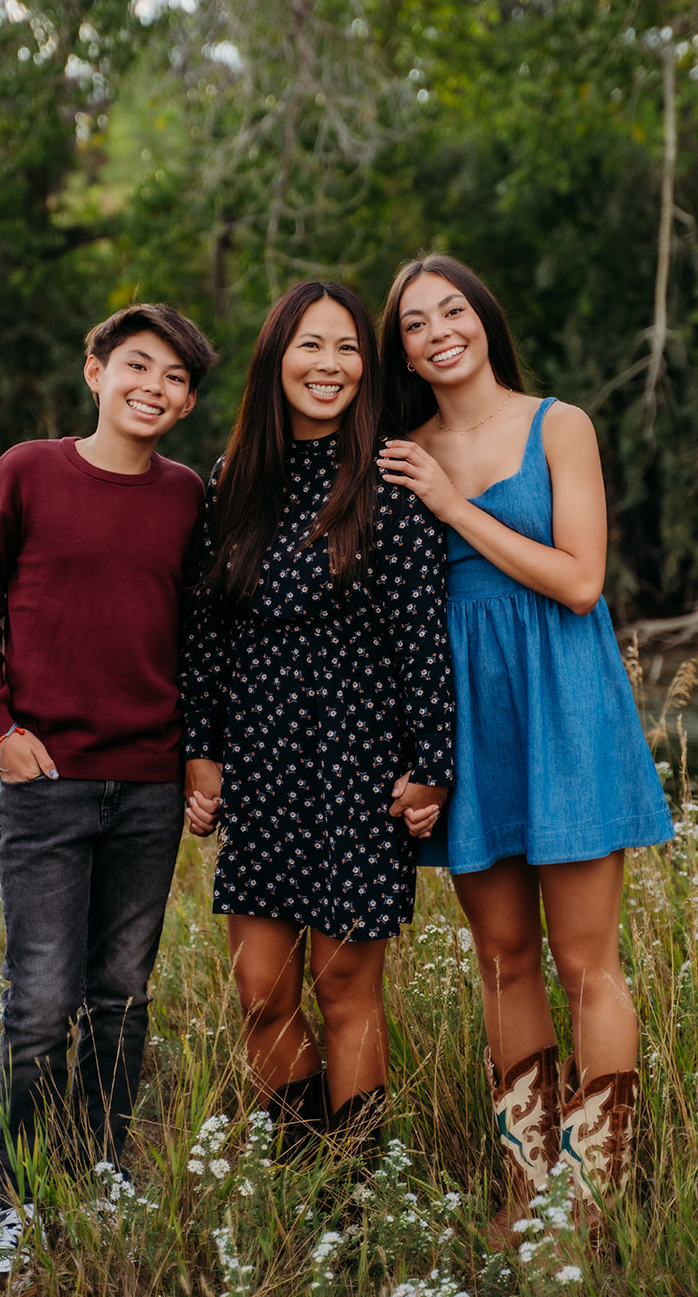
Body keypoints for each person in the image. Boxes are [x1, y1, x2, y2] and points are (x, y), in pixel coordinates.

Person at [376, 254, 674, 1244]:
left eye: (450, 310)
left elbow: (580, 580)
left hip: (563, 703)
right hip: (466, 720)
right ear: (402, 350)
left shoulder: (559, 423)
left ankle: (594, 1195)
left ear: (482, 319)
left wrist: (454, 507)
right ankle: (524, 1184)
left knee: (586, 961)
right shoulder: (399, 447)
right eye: (414, 324)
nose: (436, 332)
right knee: (501, 957)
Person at [0, 302, 216, 1275]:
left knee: (119, 998)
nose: (154, 387)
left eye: (175, 378)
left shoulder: (187, 496)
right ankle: (17, 1195)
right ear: (95, 369)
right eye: (137, 366)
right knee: (40, 1004)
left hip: (147, 789)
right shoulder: (25, 471)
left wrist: (199, 753)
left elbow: (199, 638)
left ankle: (102, 1171)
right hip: (48, 786)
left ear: (186, 403)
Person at [181, 279, 456, 1160]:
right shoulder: (234, 480)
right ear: (276, 359)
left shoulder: (389, 477)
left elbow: (423, 633)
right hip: (260, 765)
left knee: (344, 993)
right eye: (310, 345)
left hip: (356, 769)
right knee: (261, 993)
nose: (329, 365)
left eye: (346, 348)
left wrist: (432, 764)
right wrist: (201, 752)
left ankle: (360, 1189)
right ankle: (300, 1180)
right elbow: (204, 629)